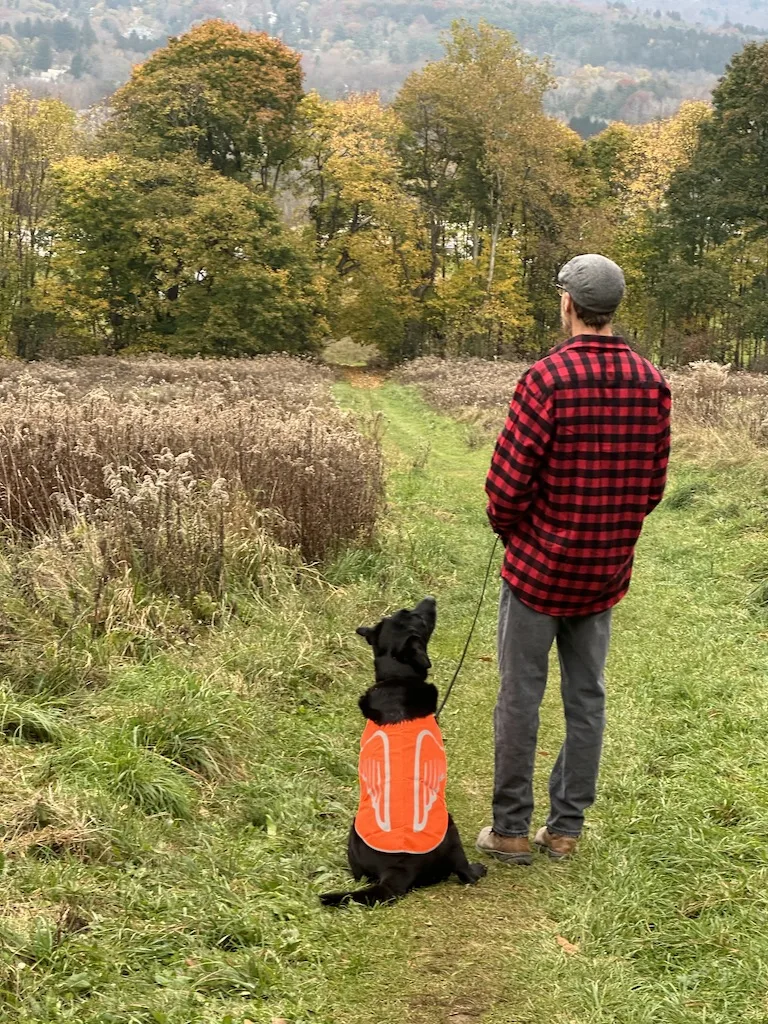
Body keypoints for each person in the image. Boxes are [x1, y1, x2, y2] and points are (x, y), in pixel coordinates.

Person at [476, 254, 671, 865]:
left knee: (519, 696)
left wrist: (514, 533)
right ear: (613, 308)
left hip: (537, 571)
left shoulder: (546, 379)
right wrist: (611, 535)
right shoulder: (652, 382)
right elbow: (652, 489)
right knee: (586, 697)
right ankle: (564, 831)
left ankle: (509, 831)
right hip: (604, 570)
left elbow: (507, 489)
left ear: (568, 303)